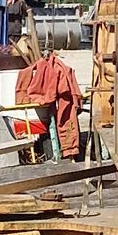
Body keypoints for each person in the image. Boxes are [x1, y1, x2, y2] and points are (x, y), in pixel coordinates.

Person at [13, 30, 83, 161]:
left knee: (63, 119)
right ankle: (67, 152)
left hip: (46, 110)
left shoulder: (53, 67)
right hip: (37, 114)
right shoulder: (38, 67)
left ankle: (68, 151)